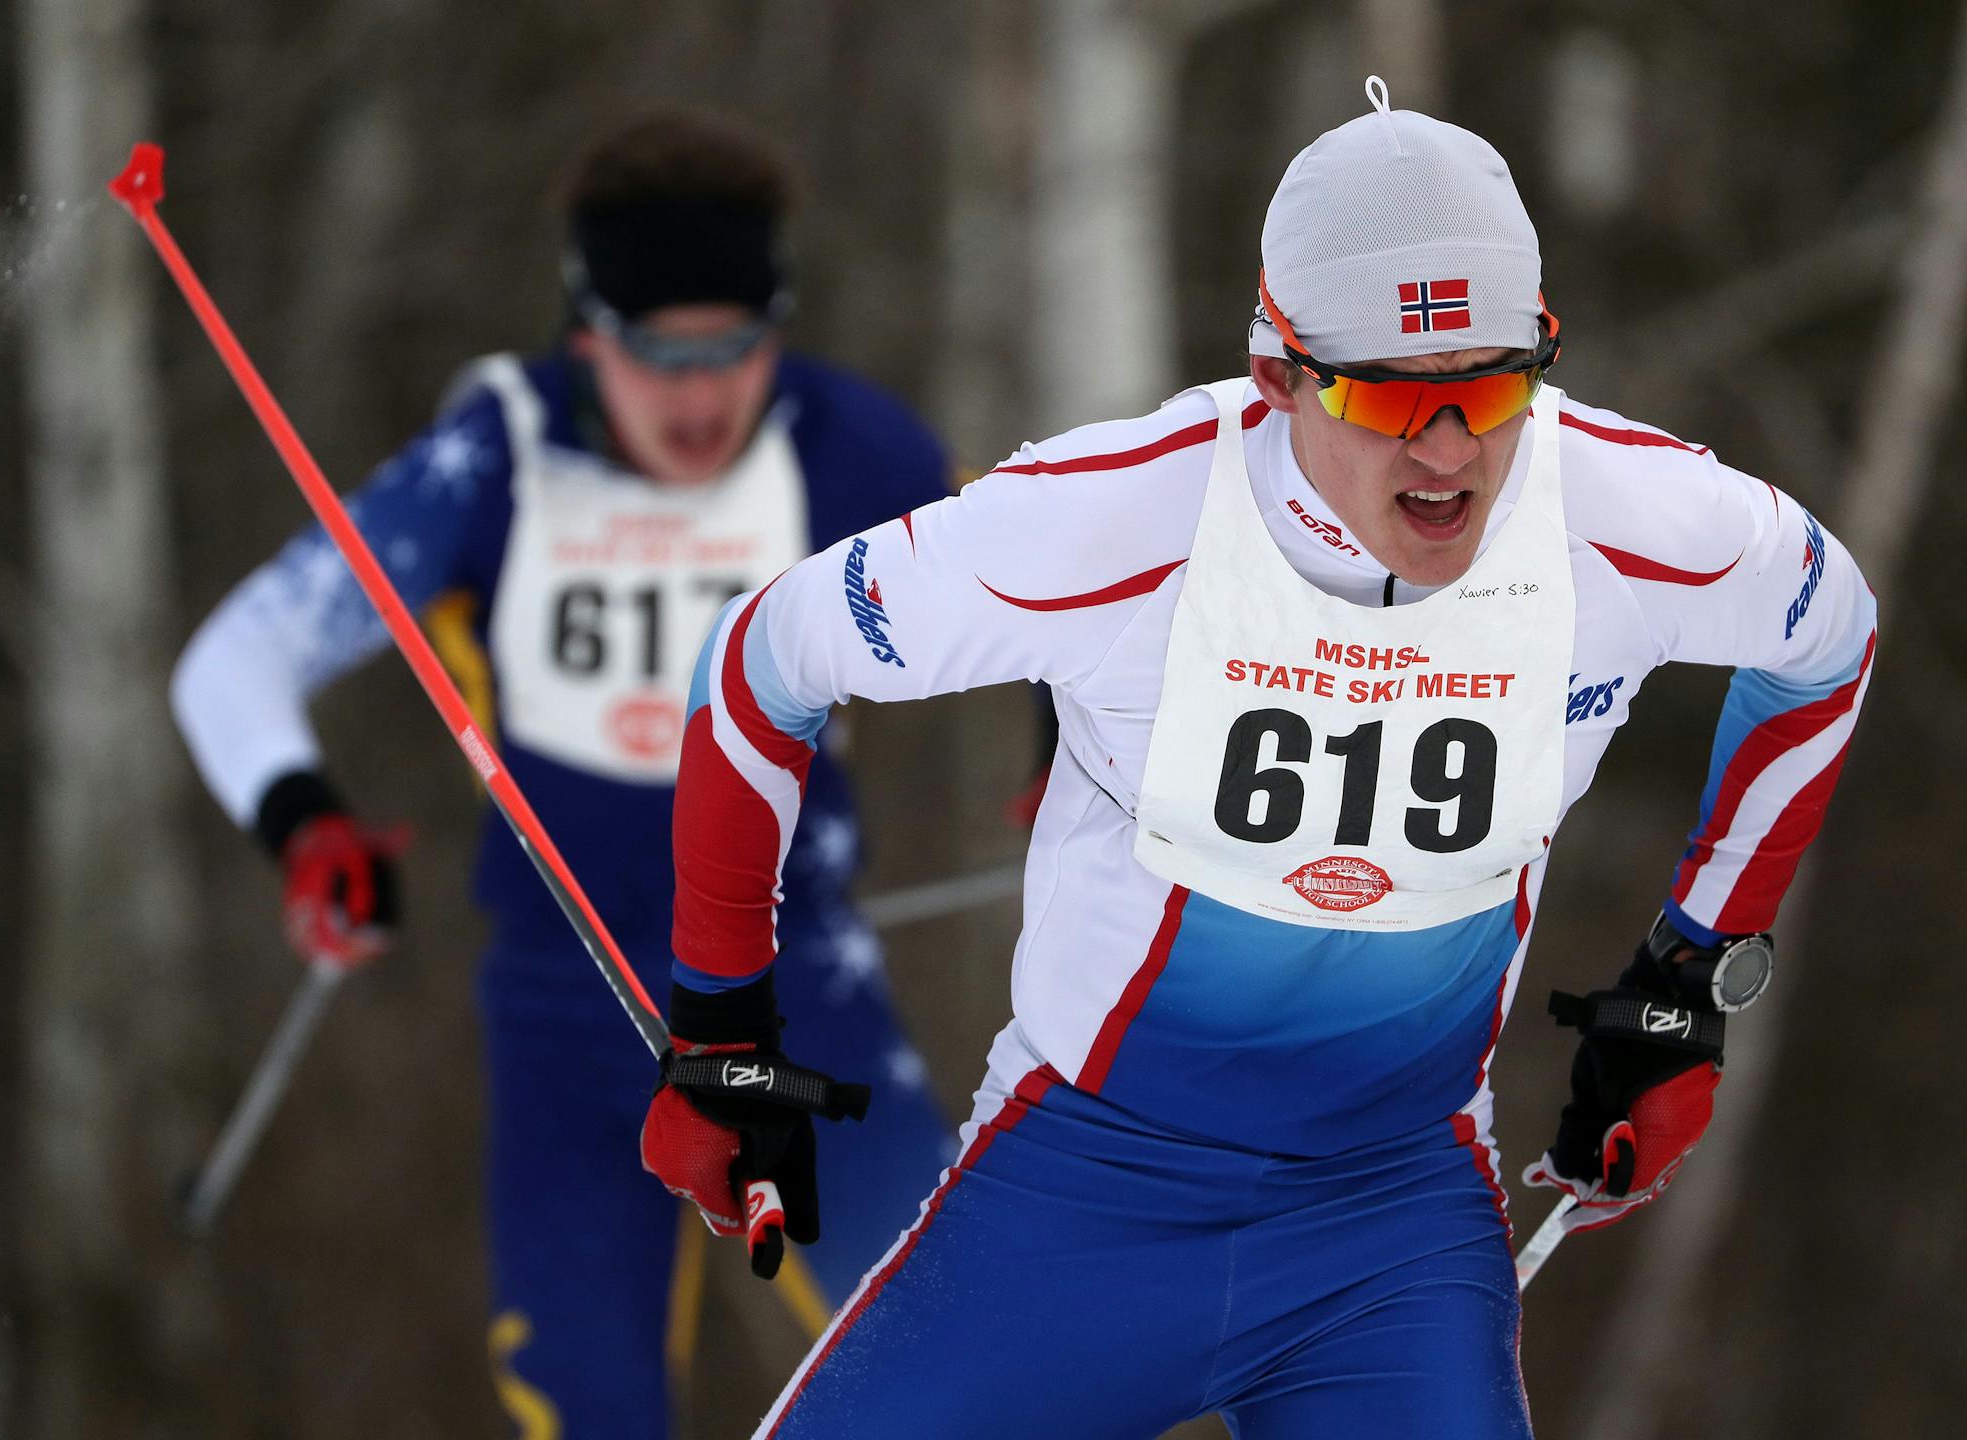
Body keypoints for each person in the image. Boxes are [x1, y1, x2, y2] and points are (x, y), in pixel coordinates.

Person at [642, 78, 1877, 1438]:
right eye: (1392, 400)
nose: (1453, 454)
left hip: (1387, 1225)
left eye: (1495, 388)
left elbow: (1829, 638)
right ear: (1280, 371)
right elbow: (765, 665)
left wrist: (1689, 978)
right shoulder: (1110, 523)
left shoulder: (1629, 517)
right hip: (1080, 1199)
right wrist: (720, 1025)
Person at [170, 106, 958, 1437]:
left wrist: (1072, 762)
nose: (703, 398)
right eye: (662, 355)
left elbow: (1058, 606)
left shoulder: (858, 451)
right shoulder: (497, 463)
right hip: (569, 1008)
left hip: (798, 995)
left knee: (960, 1374)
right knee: (584, 1403)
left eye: (736, 350)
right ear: (589, 330)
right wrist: (308, 830)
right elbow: (236, 658)